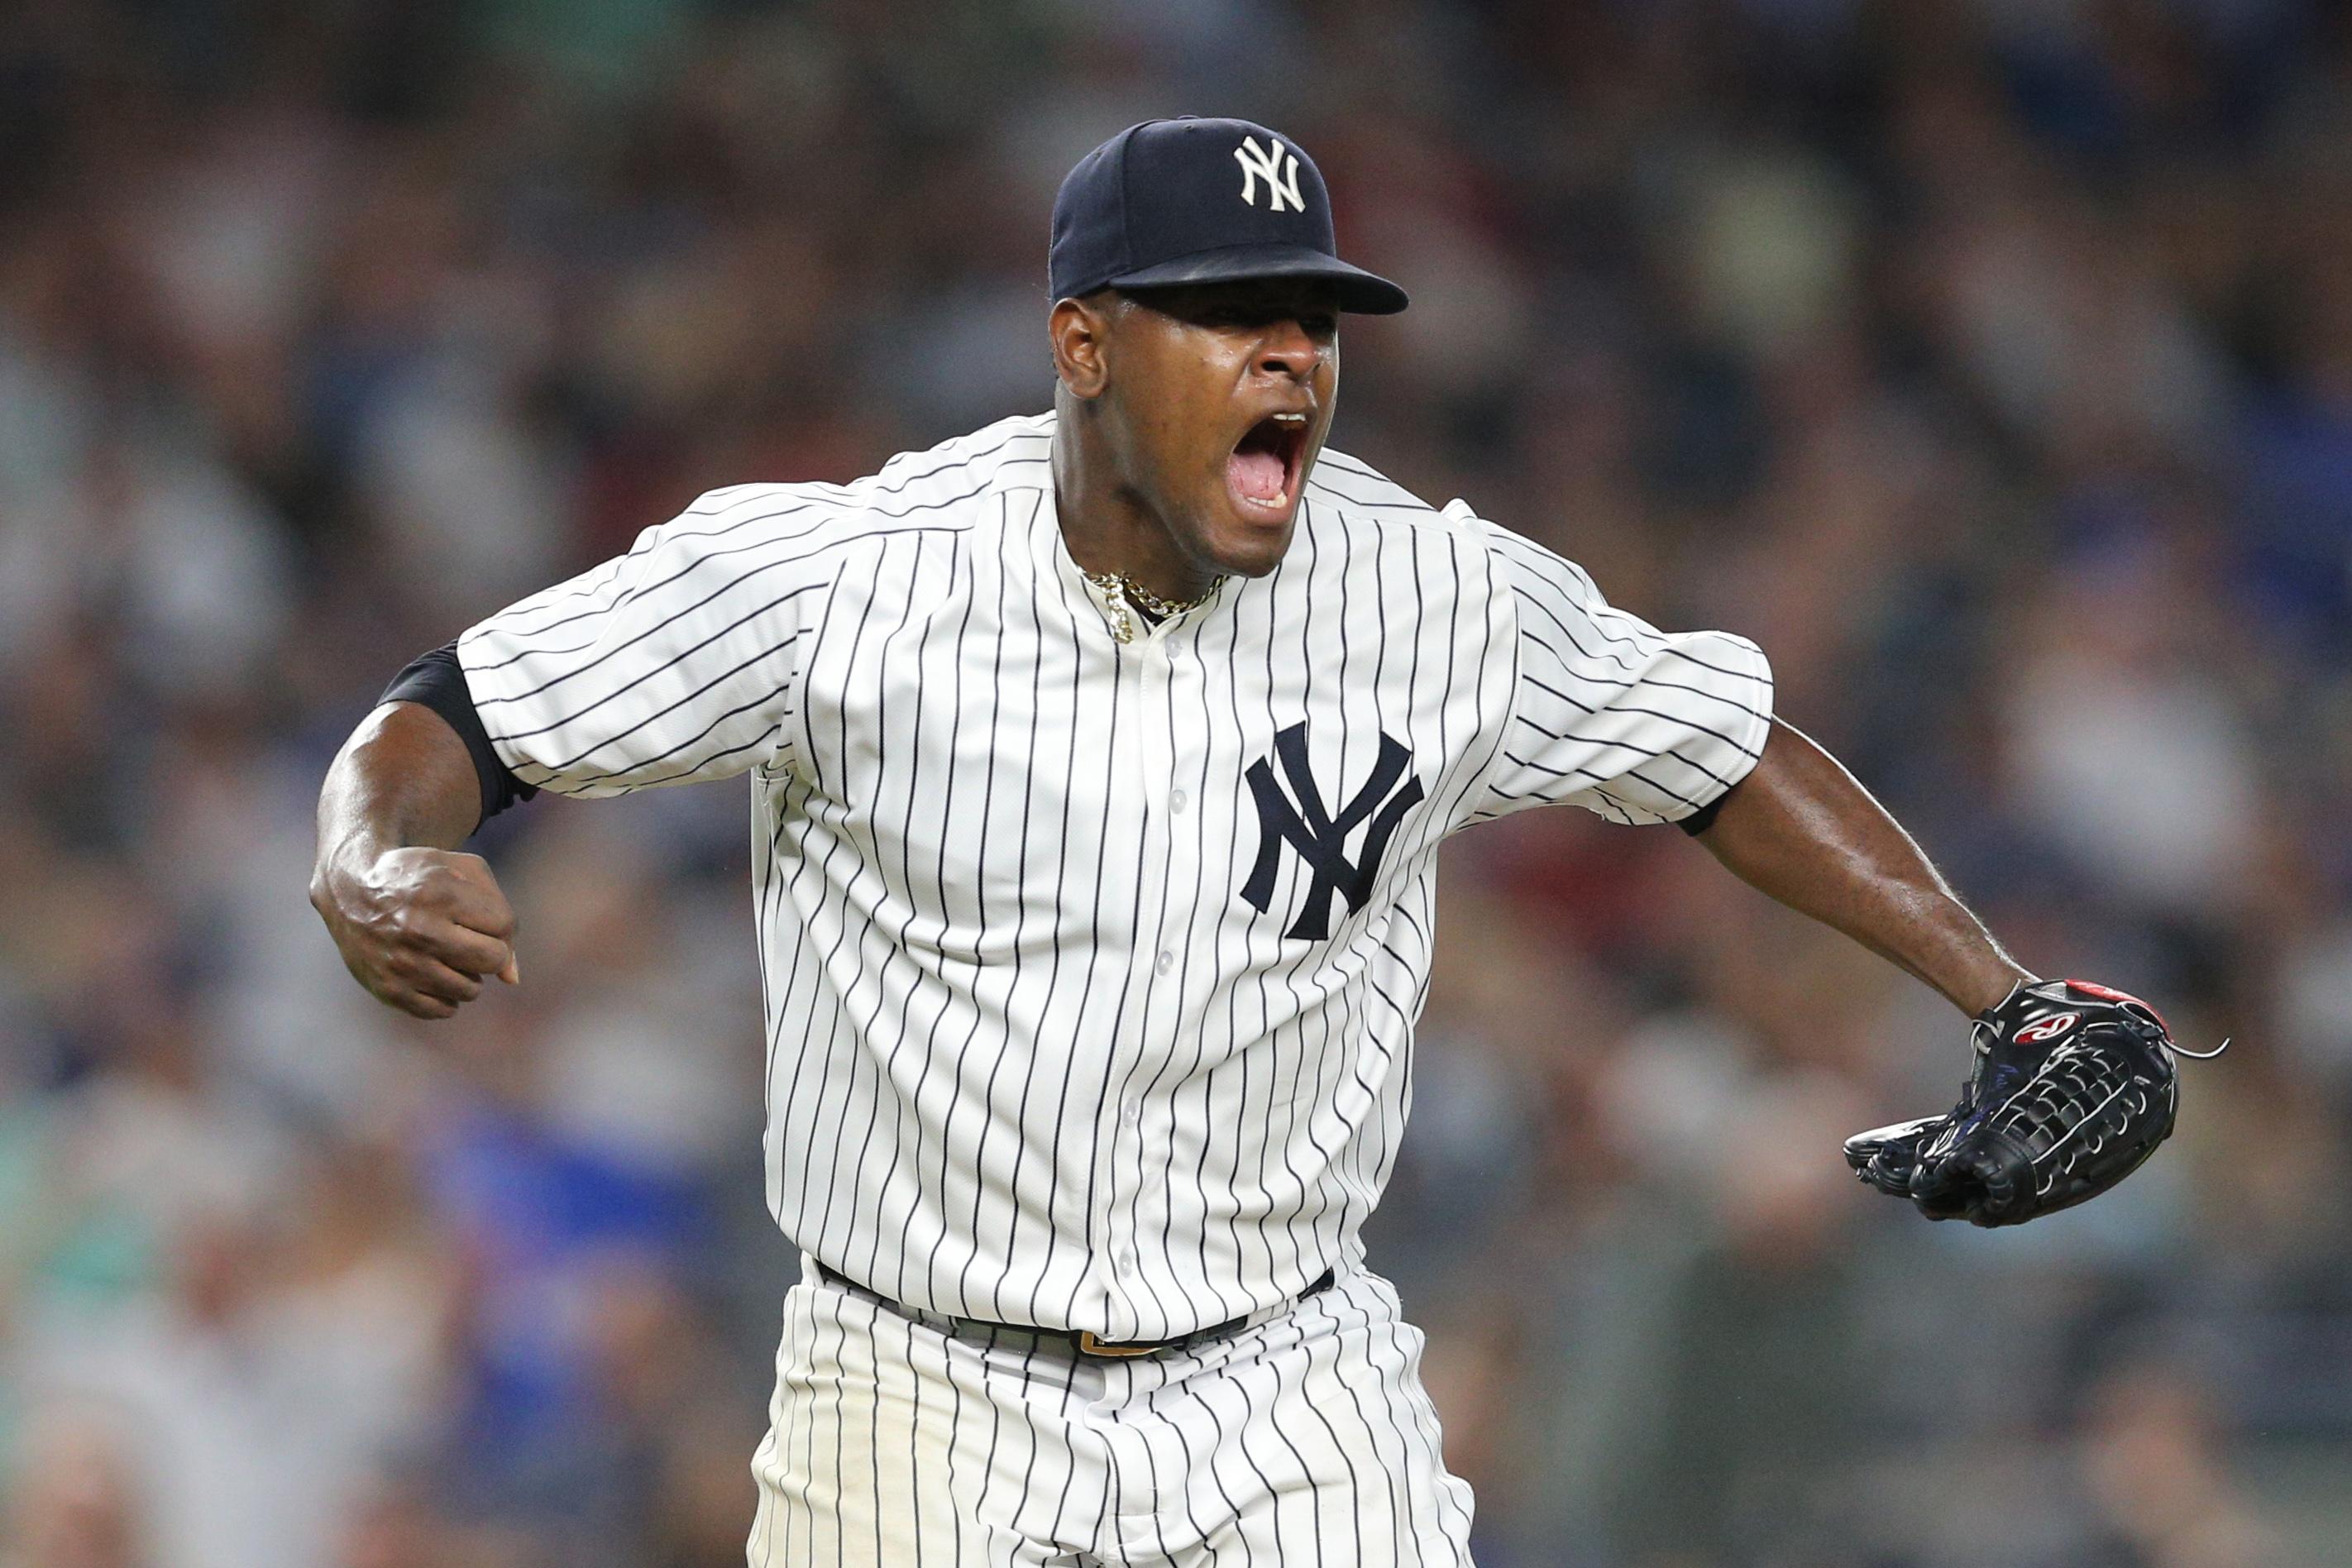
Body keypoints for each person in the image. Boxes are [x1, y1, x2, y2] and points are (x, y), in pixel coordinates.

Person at [309, 117, 2147, 1566]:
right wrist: (366, 855)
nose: (1289, 351)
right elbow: (452, 717)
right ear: (1084, 344)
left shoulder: (1434, 591)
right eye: (1227, 308)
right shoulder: (846, 581)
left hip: (1289, 1383)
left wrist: (2004, 997)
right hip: (916, 1392)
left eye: (1314, 315)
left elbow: (1721, 751)